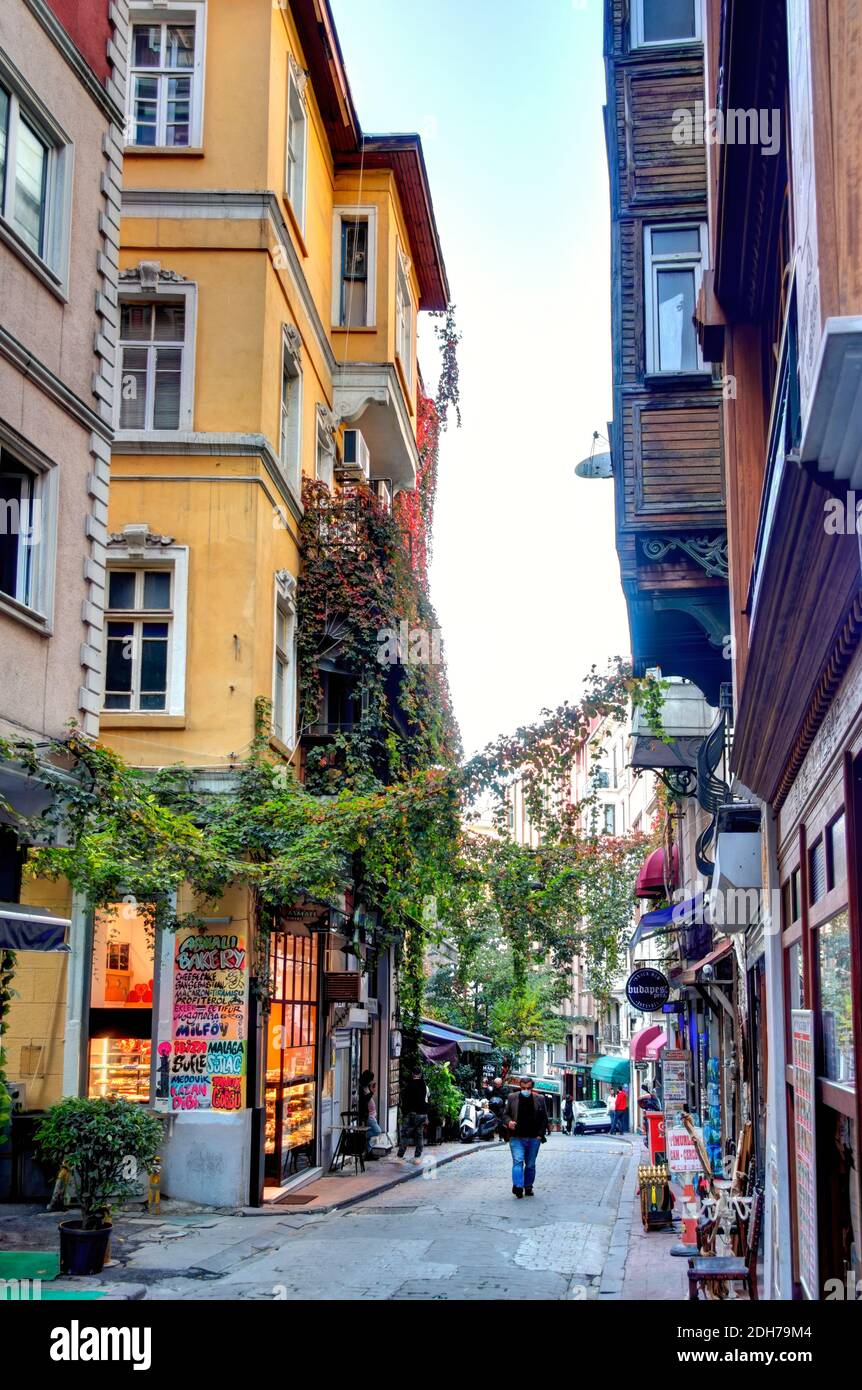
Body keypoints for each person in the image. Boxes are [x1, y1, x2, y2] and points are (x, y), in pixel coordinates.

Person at [504, 1076, 550, 1197]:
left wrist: (540, 1135)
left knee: (530, 1164)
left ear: (532, 1087)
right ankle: (518, 1186)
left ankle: (528, 1186)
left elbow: (544, 1118)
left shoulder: (539, 1098)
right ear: (520, 1087)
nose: (526, 1090)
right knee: (518, 1161)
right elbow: (505, 1115)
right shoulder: (512, 1097)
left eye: (528, 1088)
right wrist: (509, 1122)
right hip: (516, 1137)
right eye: (523, 1088)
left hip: (534, 1137)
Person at [397, 1066, 429, 1164]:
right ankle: (417, 1157)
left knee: (406, 1134)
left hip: (412, 1113)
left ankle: (400, 1156)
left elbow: (405, 1101)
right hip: (422, 1114)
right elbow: (427, 1100)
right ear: (420, 1074)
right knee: (419, 1135)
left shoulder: (409, 1086)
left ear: (412, 1074)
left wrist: (404, 1112)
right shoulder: (424, 1086)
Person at [358, 1069, 383, 1159]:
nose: (371, 1081)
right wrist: (372, 1092)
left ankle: (368, 1152)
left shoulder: (366, 1086)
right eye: (370, 1080)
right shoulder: (361, 1088)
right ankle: (361, 1136)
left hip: (371, 1114)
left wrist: (371, 1090)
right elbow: (363, 1100)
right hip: (367, 1115)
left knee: (369, 1136)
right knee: (377, 1131)